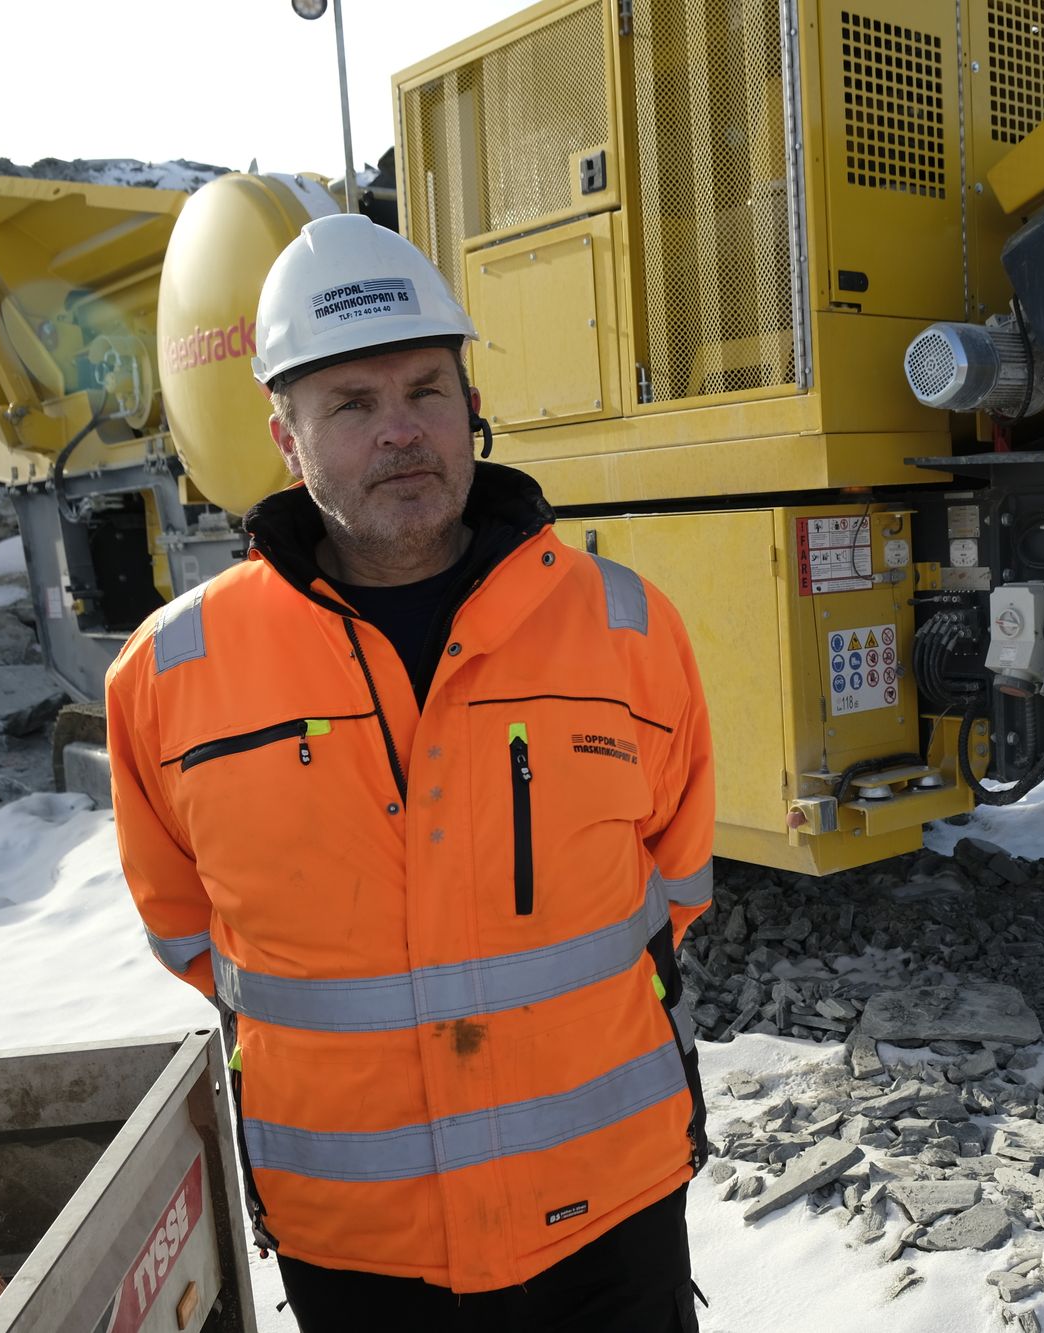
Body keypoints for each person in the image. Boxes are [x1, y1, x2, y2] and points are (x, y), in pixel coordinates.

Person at [105, 212, 715, 1331]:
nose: (402, 432)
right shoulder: (168, 675)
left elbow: (674, 884)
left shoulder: (625, 628)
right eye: (351, 404)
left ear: (470, 407)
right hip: (358, 1242)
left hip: (609, 1217)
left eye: (426, 390)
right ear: (284, 437)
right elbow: (192, 938)